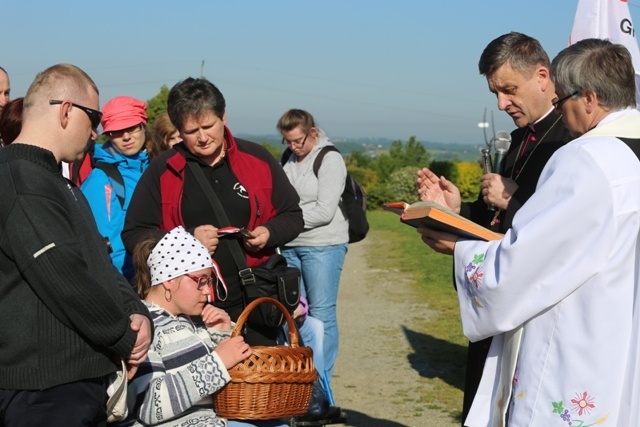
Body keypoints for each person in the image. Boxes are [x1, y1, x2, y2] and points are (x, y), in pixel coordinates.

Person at [420, 38, 640, 426]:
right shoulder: (628, 152)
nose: (560, 107)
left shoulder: (587, 156)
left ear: (588, 98)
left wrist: (459, 250)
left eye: (563, 98)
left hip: (576, 339)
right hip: (619, 330)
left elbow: (527, 261)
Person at [416, 32, 572, 424]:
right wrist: (457, 211)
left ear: (542, 76)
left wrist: (515, 200)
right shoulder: (521, 140)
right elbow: (495, 223)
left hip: (535, 308)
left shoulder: (571, 141)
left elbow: (568, 228)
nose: (501, 104)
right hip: (496, 302)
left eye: (509, 90)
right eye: (495, 93)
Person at [0, 63, 152, 426]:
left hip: (72, 382)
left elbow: (97, 261)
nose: (97, 132)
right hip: (43, 389)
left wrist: (138, 312)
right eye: (94, 117)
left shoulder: (59, 183)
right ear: (67, 110)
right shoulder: (22, 181)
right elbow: (64, 276)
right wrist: (122, 336)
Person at [122, 77, 304, 347]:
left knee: (257, 386)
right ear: (179, 130)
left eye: (209, 126)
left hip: (256, 301)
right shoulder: (162, 170)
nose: (203, 137)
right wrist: (187, 239)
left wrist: (269, 232)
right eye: (192, 130)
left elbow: (293, 215)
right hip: (193, 311)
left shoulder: (257, 159)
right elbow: (134, 235)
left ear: (224, 117)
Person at [121, 226, 254, 426]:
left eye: (209, 281)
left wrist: (222, 334)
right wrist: (218, 362)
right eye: (201, 281)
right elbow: (149, 405)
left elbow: (223, 388)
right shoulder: (144, 327)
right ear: (170, 280)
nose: (208, 291)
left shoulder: (187, 322)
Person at [276, 109, 348, 384]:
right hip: (291, 246)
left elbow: (324, 211)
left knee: (321, 312)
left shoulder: (329, 158)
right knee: (296, 313)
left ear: (313, 133)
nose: (294, 147)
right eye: (288, 141)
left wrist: (283, 225)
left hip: (324, 245)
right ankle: (301, 376)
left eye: (298, 141)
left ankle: (322, 381)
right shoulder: (287, 159)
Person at [81, 96, 150, 282]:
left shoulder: (156, 165)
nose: (126, 136)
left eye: (132, 127)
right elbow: (109, 244)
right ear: (108, 135)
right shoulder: (101, 179)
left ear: (144, 125)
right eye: (118, 131)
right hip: (132, 283)